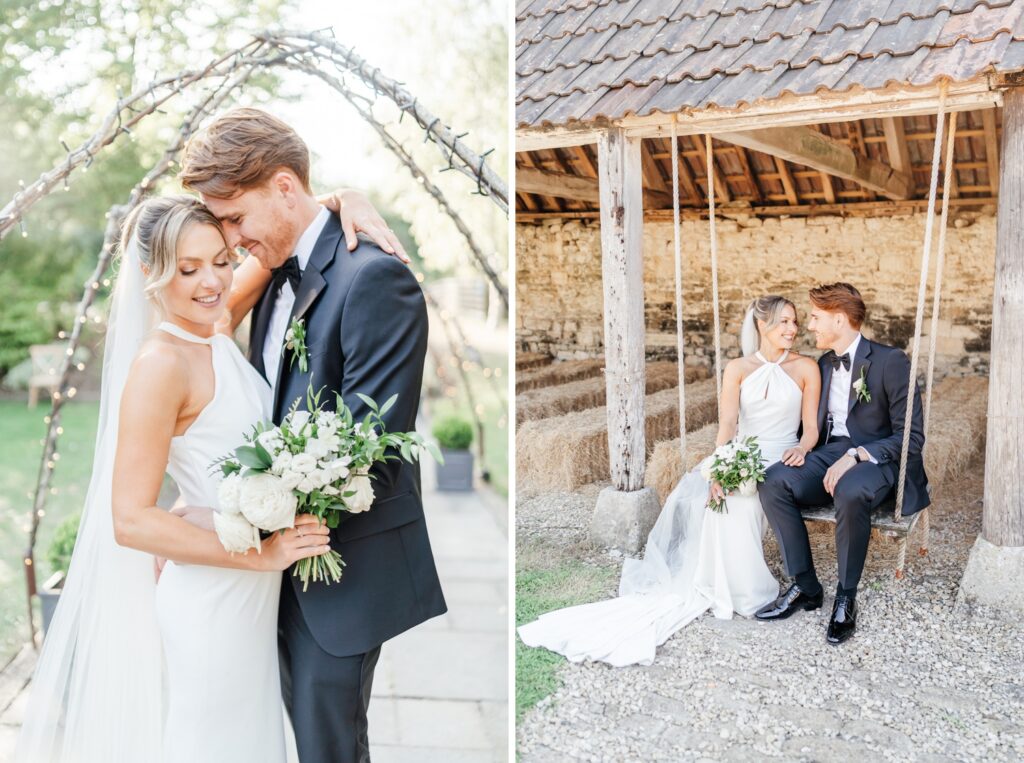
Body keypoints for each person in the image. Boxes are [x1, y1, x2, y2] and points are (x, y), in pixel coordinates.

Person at [15, 189, 408, 762]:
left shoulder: (214, 327)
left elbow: (282, 238)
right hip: (211, 605)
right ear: (151, 274)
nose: (212, 281)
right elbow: (129, 521)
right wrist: (264, 554)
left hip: (249, 604)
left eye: (221, 260)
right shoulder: (160, 366)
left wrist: (341, 198)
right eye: (188, 268)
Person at [179, 107, 447, 763]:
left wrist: (235, 515)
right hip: (267, 569)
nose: (234, 241)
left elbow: (371, 448)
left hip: (341, 575)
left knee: (328, 749)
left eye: (237, 219)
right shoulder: (271, 276)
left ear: (283, 186)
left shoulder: (375, 278)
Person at [518, 296, 820, 667]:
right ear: (762, 325)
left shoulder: (806, 367)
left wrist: (803, 449)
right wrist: (723, 467)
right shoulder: (738, 369)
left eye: (794, 322)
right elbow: (727, 426)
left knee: (756, 498)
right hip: (746, 454)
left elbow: (812, 428)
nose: (792, 329)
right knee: (726, 505)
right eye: (784, 322)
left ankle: (748, 588)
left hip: (784, 456)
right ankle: (734, 590)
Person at [756, 282, 929, 645]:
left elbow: (911, 437)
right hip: (829, 452)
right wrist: (803, 448)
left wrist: (856, 456)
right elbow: (812, 425)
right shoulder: (823, 363)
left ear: (838, 318)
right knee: (773, 480)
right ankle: (805, 586)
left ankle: (846, 596)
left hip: (876, 458)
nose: (810, 326)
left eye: (816, 318)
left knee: (849, 490)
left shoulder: (890, 361)